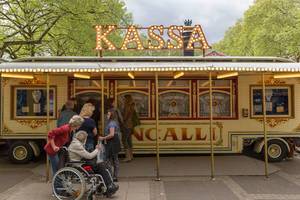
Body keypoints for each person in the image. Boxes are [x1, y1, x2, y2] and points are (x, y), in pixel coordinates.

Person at [68, 131, 119, 196]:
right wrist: (97, 149)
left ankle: (108, 186)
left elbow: (86, 154)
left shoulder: (76, 143)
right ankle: (109, 186)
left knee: (101, 166)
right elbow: (89, 156)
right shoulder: (77, 145)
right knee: (101, 166)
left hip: (79, 163)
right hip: (79, 165)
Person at [99, 110, 121, 182]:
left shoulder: (111, 123)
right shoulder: (113, 122)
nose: (107, 116)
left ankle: (111, 176)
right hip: (115, 142)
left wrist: (103, 138)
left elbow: (111, 134)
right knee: (115, 159)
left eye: (108, 114)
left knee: (109, 159)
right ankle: (114, 176)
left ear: (112, 115)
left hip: (112, 143)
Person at [121, 94, 139, 162]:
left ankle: (127, 157)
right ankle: (131, 155)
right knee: (129, 140)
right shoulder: (132, 106)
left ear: (126, 99)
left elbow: (125, 117)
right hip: (131, 125)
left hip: (126, 125)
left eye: (124, 99)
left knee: (124, 140)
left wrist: (121, 121)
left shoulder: (127, 106)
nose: (123, 100)